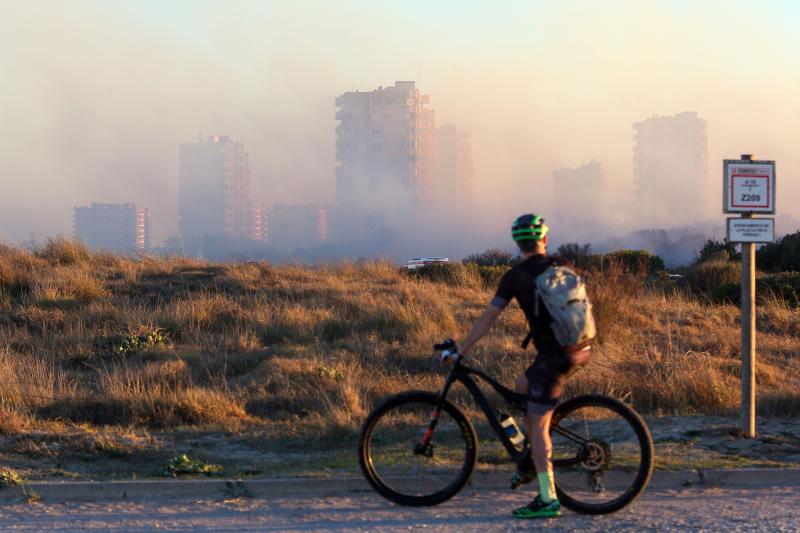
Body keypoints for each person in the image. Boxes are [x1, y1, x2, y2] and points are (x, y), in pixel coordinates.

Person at [440, 213, 592, 519]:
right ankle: (529, 459)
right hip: (579, 347)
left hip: (555, 358)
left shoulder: (515, 276)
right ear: (545, 240)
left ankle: (548, 498)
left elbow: (488, 318)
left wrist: (460, 350)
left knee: (537, 425)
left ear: (517, 243)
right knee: (521, 390)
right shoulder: (563, 263)